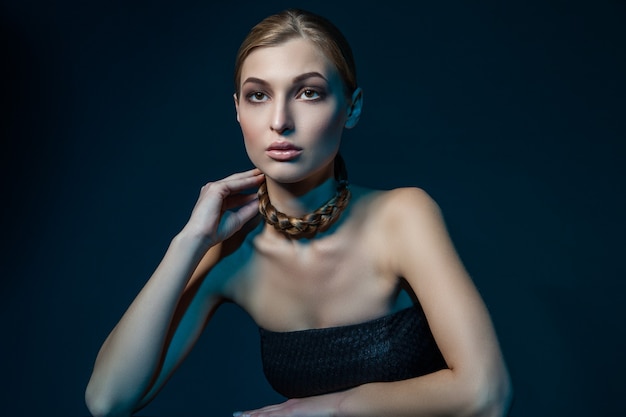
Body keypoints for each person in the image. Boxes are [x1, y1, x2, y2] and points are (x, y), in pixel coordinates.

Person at [85, 8, 513, 417]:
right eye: (258, 95)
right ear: (237, 109)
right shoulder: (229, 249)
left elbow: (485, 394)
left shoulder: (402, 217)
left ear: (352, 107)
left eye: (308, 92)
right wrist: (188, 243)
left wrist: (328, 407)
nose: (280, 120)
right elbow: (108, 400)